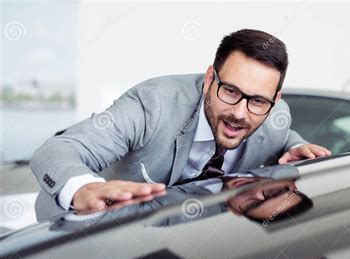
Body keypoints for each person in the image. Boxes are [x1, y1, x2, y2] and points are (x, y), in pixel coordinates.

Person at [31, 29, 331, 221]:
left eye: (258, 101)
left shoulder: (275, 120)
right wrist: (85, 189)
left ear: (274, 101)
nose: (240, 113)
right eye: (230, 91)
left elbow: (282, 136)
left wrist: (295, 146)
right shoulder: (154, 104)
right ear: (209, 79)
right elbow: (59, 150)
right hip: (90, 237)